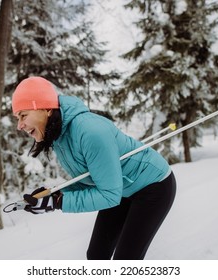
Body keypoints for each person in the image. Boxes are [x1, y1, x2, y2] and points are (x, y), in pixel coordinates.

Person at [12, 76, 177, 260]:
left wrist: (59, 202)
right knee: (97, 256)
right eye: (17, 118)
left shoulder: (90, 131)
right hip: (120, 188)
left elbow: (109, 195)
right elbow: (91, 179)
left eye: (23, 115)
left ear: (46, 109)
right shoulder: (60, 135)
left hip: (152, 186)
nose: (19, 126)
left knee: (126, 260)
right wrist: (55, 194)